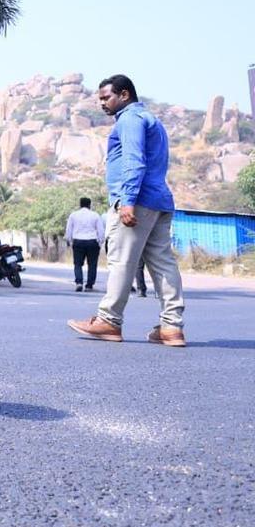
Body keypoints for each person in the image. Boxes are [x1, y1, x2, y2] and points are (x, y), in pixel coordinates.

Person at [68, 75, 186, 347]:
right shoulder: (150, 119)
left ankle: (108, 320)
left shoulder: (130, 120)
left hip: (138, 200)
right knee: (163, 262)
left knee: (122, 260)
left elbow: (134, 160)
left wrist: (127, 200)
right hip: (159, 200)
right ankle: (172, 327)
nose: (102, 103)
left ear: (124, 94)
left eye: (106, 97)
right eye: (99, 99)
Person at [65, 196, 105, 292]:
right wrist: (100, 241)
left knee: (78, 264)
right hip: (92, 241)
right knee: (92, 264)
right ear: (89, 205)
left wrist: (69, 240)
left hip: (78, 241)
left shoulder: (73, 215)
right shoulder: (95, 215)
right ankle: (89, 286)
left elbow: (69, 229)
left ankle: (79, 282)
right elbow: (100, 230)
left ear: (80, 204)